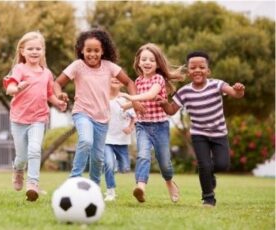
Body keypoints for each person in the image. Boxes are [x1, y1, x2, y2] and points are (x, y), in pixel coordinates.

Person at [53, 28, 144, 186]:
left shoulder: (109, 67)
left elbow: (129, 82)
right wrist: (59, 94)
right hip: (82, 112)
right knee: (86, 141)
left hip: (102, 118)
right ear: (82, 50)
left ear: (103, 51)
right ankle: (74, 179)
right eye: (88, 50)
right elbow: (57, 83)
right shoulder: (77, 66)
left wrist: (135, 100)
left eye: (96, 50)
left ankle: (94, 186)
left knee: (97, 158)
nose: (92, 54)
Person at [158, 51, 245, 207]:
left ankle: (209, 176)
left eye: (201, 67)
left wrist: (238, 90)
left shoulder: (217, 84)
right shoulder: (184, 92)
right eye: (193, 67)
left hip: (219, 133)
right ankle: (208, 198)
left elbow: (234, 93)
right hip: (199, 134)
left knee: (222, 165)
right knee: (204, 165)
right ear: (189, 72)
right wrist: (164, 103)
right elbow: (171, 110)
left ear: (208, 71)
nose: (197, 70)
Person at [4, 31, 67, 201]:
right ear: (22, 51)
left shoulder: (47, 73)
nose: (34, 52)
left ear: (43, 51)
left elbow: (49, 95)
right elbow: (9, 88)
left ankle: (33, 184)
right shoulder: (19, 69)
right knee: (22, 156)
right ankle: (18, 170)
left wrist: (58, 103)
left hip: (39, 118)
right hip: (18, 119)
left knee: (34, 150)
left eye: (38, 48)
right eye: (30, 48)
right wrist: (16, 89)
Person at [119, 43, 184, 203]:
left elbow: (150, 95)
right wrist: (124, 105)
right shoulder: (138, 81)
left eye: (152, 60)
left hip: (160, 126)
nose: (147, 62)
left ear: (157, 64)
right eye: (144, 59)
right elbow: (138, 102)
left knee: (164, 162)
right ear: (138, 62)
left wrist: (132, 98)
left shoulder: (158, 79)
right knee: (143, 155)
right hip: (143, 126)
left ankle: (169, 182)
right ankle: (140, 187)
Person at [103, 77, 136, 201]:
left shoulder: (125, 99)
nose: (115, 80)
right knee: (109, 164)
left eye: (118, 78)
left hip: (122, 140)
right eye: (112, 79)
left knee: (125, 168)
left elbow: (134, 117)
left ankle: (117, 165)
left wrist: (130, 127)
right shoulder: (103, 98)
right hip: (107, 138)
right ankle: (110, 192)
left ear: (122, 83)